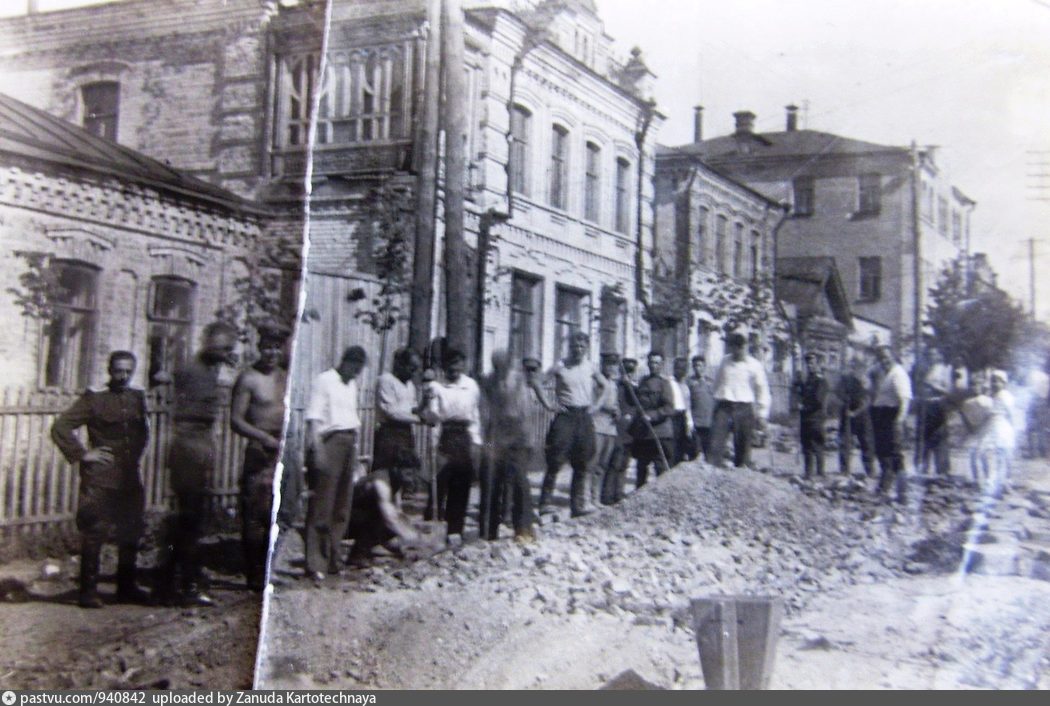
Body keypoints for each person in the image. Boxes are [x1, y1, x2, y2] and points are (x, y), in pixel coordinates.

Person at [51, 351, 150, 608]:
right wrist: (83, 455)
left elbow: (142, 431)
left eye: (128, 371)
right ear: (109, 370)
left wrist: (134, 457)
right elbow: (60, 426)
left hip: (129, 475)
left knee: (131, 530)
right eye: (118, 370)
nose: (123, 376)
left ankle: (126, 588)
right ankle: (88, 592)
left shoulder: (137, 397)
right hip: (101, 477)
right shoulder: (94, 399)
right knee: (95, 531)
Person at [157, 321, 238, 607]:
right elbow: (187, 417)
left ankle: (169, 581)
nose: (229, 354)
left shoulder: (207, 371)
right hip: (189, 450)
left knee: (189, 519)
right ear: (209, 344)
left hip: (196, 449)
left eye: (230, 348)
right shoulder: (193, 372)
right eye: (225, 348)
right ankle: (186, 584)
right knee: (190, 519)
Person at [230, 322, 290, 592]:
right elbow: (235, 420)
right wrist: (263, 438)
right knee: (256, 514)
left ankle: (270, 567)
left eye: (276, 348)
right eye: (267, 347)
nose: (271, 353)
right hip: (261, 449)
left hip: (285, 449)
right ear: (259, 347)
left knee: (283, 512)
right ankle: (254, 574)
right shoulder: (248, 378)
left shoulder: (285, 376)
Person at [303, 346, 366, 581]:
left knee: (342, 506)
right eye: (354, 367)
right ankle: (315, 562)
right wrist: (317, 451)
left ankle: (333, 558)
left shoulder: (352, 384)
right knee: (323, 504)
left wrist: (356, 453)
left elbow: (350, 419)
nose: (356, 374)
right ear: (345, 361)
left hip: (349, 442)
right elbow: (313, 419)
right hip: (329, 443)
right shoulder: (325, 380)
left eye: (360, 370)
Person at [537, 332, 607, 517]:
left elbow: (605, 386)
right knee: (555, 458)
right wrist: (549, 404)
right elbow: (538, 382)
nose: (578, 350)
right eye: (575, 347)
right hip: (566, 415)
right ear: (569, 348)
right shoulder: (561, 365)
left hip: (584, 416)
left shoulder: (591, 367)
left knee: (582, 460)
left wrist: (596, 406)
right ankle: (545, 502)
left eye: (582, 347)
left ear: (586, 348)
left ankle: (577, 505)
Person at [425, 349, 482, 545]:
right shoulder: (436, 387)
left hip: (464, 435)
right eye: (450, 364)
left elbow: (475, 415)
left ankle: (455, 528)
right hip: (445, 434)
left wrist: (476, 441)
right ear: (444, 366)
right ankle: (432, 525)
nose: (454, 368)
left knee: (462, 482)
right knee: (439, 480)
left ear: (463, 365)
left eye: (458, 364)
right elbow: (433, 414)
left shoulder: (471, 386)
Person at [480, 350, 538, 543]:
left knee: (520, 481)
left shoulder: (519, 382)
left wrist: (527, 441)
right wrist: (486, 443)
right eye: (497, 367)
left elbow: (526, 414)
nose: (500, 370)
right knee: (490, 481)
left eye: (503, 366)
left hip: (517, 436)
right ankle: (488, 532)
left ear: (510, 365)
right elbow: (485, 412)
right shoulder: (488, 381)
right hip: (495, 436)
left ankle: (523, 528)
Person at [372, 347, 431, 503]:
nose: (414, 372)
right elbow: (392, 412)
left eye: (416, 369)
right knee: (385, 475)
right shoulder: (385, 380)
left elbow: (413, 408)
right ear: (399, 364)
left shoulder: (410, 385)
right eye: (411, 367)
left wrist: (424, 405)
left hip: (406, 433)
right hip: (389, 434)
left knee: (402, 475)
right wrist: (420, 420)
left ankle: (396, 509)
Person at [709, 333, 771, 469]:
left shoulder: (754, 365)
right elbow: (717, 383)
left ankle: (741, 474)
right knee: (715, 444)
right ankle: (711, 473)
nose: (737, 352)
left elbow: (762, 390)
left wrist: (762, 414)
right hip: (724, 406)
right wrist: (715, 402)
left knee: (743, 446)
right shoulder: (725, 361)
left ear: (744, 347)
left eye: (740, 348)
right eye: (733, 348)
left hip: (744, 408)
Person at [869, 344, 912, 502]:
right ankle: (884, 487)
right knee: (882, 452)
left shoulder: (898, 374)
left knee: (895, 454)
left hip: (892, 415)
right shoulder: (882, 372)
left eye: (887, 358)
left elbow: (905, 401)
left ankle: (903, 493)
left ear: (893, 357)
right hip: (880, 414)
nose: (884, 361)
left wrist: (899, 421)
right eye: (881, 359)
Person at [630, 351, 676, 488]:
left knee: (661, 469)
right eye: (651, 362)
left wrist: (653, 416)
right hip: (644, 433)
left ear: (661, 365)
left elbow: (669, 408)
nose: (653, 365)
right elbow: (637, 402)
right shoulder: (643, 382)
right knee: (641, 468)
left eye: (656, 363)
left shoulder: (665, 383)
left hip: (660, 433)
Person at [602, 358, 638, 504]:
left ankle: (619, 492)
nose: (629, 374)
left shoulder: (634, 388)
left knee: (624, 462)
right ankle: (607, 495)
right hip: (617, 427)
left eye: (631, 371)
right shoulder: (617, 386)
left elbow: (637, 403)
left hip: (630, 429)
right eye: (626, 371)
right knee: (615, 462)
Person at [976, 370, 1017, 498]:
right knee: (984, 453)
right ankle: (992, 482)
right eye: (993, 381)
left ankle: (1005, 483)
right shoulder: (991, 395)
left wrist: (1013, 429)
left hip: (1002, 426)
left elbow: (1011, 414)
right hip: (991, 425)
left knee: (1003, 455)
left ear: (1004, 383)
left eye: (997, 381)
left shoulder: (1006, 395)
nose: (994, 383)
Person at [590, 353, 623, 508]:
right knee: (592, 463)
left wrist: (617, 411)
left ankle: (596, 498)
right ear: (602, 365)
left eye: (614, 365)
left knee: (603, 465)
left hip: (610, 428)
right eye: (608, 364)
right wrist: (609, 408)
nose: (611, 368)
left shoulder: (614, 384)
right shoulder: (597, 382)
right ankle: (587, 498)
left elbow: (615, 403)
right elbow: (592, 403)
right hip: (597, 426)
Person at [836, 351, 877, 478]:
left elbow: (868, 400)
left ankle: (870, 470)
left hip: (862, 415)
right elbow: (838, 392)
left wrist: (855, 412)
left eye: (858, 364)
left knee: (866, 442)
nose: (855, 366)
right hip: (847, 413)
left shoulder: (866, 379)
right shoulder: (845, 378)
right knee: (845, 442)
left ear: (862, 365)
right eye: (853, 363)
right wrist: (845, 399)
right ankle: (844, 470)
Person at [917, 348, 953, 476]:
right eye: (929, 354)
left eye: (934, 354)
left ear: (939, 356)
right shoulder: (926, 369)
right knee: (925, 437)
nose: (931, 356)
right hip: (927, 404)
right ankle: (924, 468)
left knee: (939, 436)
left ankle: (942, 469)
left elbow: (948, 391)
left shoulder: (944, 369)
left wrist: (933, 387)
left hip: (938, 404)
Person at [796, 351, 830, 479]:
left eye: (812, 363)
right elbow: (801, 396)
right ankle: (808, 473)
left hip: (816, 418)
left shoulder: (821, 381)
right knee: (806, 445)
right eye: (808, 363)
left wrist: (804, 407)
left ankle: (821, 473)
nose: (810, 365)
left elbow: (818, 401)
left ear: (818, 364)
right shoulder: (806, 381)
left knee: (817, 445)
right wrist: (798, 389)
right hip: (805, 418)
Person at [687, 355, 715, 462]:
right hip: (695, 424)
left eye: (699, 365)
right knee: (694, 454)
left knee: (709, 454)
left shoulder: (711, 382)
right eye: (694, 366)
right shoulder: (689, 382)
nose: (697, 368)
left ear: (704, 366)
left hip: (709, 423)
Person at [669, 357, 694, 465]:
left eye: (684, 369)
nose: (681, 371)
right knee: (671, 448)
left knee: (682, 448)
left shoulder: (686, 386)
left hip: (682, 418)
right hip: (671, 417)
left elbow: (687, 405)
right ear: (674, 368)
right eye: (679, 368)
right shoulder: (669, 383)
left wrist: (689, 422)